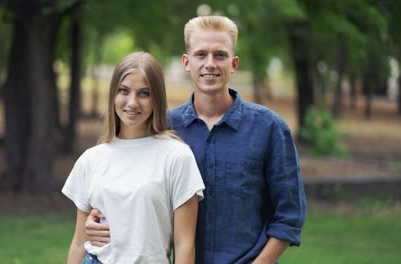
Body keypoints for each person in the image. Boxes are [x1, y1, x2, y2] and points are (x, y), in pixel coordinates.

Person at [86, 16, 307, 263]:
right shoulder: (162, 128)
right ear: (187, 62)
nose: (210, 64)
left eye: (220, 55)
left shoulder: (269, 128)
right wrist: (96, 217)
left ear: (233, 64)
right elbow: (132, 192)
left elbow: (289, 216)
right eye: (201, 54)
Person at [62, 51, 205, 264]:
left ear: (157, 97)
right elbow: (78, 242)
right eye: (124, 91)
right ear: (113, 95)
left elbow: (185, 244)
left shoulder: (176, 156)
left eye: (144, 93)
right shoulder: (91, 159)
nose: (132, 102)